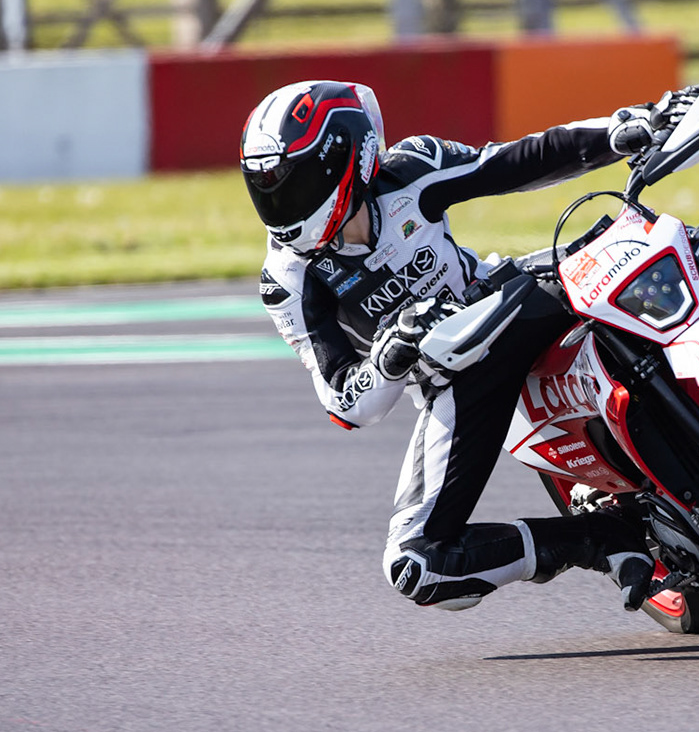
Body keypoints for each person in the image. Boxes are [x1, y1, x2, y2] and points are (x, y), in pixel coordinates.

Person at [242, 79, 672, 613]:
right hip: (454, 377)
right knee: (416, 564)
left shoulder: (410, 170)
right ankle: (598, 538)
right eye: (265, 189)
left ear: (349, 158)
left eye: (296, 183)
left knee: (664, 247)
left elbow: (517, 161)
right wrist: (391, 354)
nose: (281, 205)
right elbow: (347, 404)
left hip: (515, 299)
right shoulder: (287, 279)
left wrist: (620, 130)